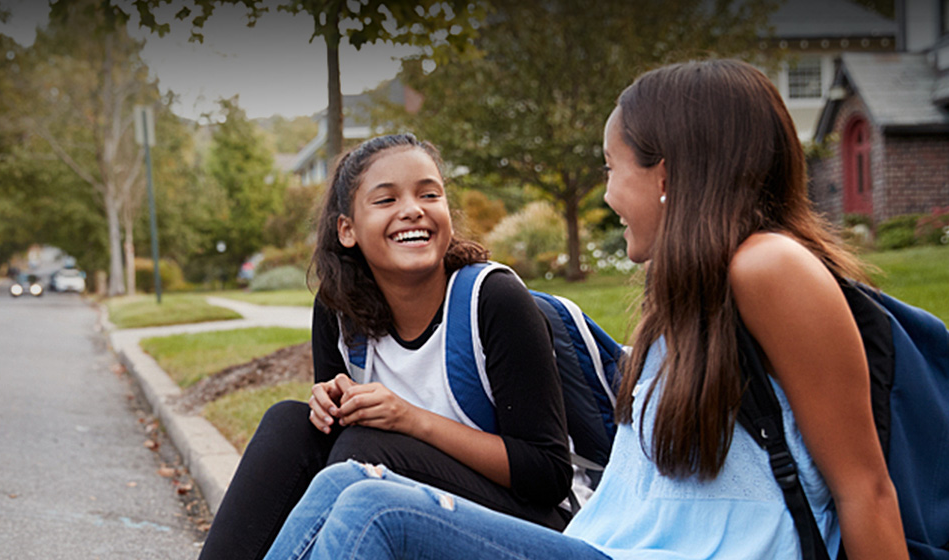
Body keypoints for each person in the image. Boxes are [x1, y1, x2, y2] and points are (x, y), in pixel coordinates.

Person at [260, 59, 907, 560]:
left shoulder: (769, 267)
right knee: (345, 486)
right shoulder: (682, 301)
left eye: (612, 167)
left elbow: (865, 488)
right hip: (609, 546)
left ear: (667, 175)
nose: (606, 193)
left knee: (373, 507)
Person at [198, 133, 573, 560]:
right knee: (291, 423)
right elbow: (329, 450)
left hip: (522, 527)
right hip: (391, 510)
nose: (413, 210)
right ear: (347, 230)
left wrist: (410, 419)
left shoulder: (492, 301)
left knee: (366, 449)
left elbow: (548, 475)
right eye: (386, 200)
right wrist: (328, 406)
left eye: (429, 194)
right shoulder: (338, 312)